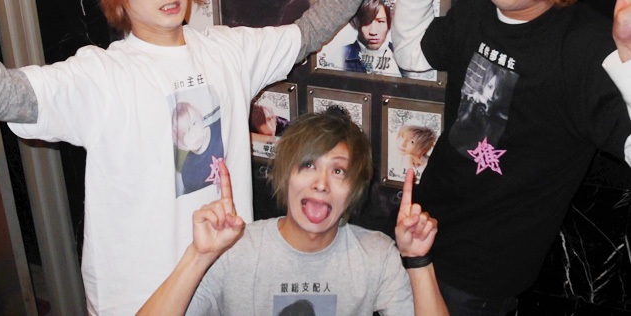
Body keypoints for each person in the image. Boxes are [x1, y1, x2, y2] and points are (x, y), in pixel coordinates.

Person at [0, 0, 390, 315]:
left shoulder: (226, 51)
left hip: (223, 286)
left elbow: (308, 32)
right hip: (138, 297)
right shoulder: (101, 75)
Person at [391, 0, 631, 315]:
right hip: (418, 234)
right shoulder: (479, 8)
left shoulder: (586, 49)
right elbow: (411, 57)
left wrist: (629, 58)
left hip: (482, 278)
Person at [138, 112, 449, 316]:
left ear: (354, 189)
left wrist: (418, 261)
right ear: (286, 174)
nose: (321, 184)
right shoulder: (234, 251)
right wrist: (198, 256)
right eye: (308, 165)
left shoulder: (375, 255)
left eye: (338, 171)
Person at [344, 0, 401, 75]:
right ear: (357, 23)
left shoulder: (401, 55)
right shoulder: (342, 55)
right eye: (366, 22)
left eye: (380, 21)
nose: (373, 32)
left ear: (389, 24)